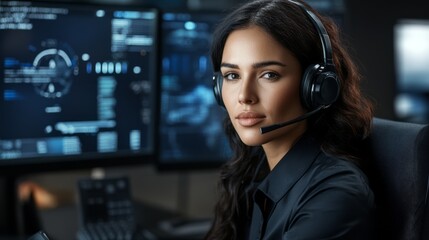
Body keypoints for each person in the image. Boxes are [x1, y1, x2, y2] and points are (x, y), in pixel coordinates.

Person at [206, 0, 376, 239]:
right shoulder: (255, 172)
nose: (244, 96)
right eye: (232, 75)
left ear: (316, 86)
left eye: (269, 75)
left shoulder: (335, 195)